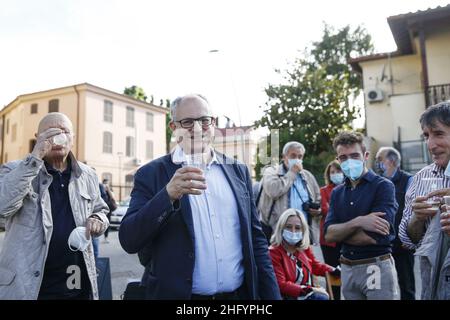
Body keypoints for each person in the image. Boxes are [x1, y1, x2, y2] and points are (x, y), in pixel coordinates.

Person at [118, 94, 281, 300]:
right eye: (187, 122)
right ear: (173, 128)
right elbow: (129, 239)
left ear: (213, 124)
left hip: (237, 297)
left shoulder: (238, 171)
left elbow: (256, 240)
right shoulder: (151, 174)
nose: (197, 128)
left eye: (204, 121)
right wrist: (167, 196)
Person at [0, 112, 109, 300]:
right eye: (49, 132)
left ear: (72, 138)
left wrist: (98, 219)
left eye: (64, 131)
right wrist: (35, 157)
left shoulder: (88, 174)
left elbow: (101, 209)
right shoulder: (14, 170)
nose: (57, 137)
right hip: (28, 289)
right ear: (38, 138)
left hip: (76, 286)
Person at [324, 131, 399, 300]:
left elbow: (374, 236)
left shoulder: (383, 186)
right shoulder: (337, 192)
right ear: (338, 159)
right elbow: (328, 234)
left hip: (375, 267)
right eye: (343, 157)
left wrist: (341, 233)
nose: (349, 161)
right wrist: (359, 222)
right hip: (347, 269)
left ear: (365, 156)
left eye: (354, 155)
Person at [399, 101, 450, 300]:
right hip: (434, 287)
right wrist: (417, 218)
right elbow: (408, 240)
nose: (430, 144)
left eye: (438, 134)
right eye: (426, 136)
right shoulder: (421, 178)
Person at [258, 141, 321, 244]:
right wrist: (292, 173)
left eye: (300, 156)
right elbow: (273, 191)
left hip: (301, 233)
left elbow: (318, 199)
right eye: (293, 155)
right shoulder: (272, 172)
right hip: (276, 232)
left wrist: (317, 211)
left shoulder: (307, 176)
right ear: (284, 157)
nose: (297, 159)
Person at [269, 208, 338, 300]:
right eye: (288, 227)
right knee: (320, 297)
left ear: (303, 230)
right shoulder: (273, 252)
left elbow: (315, 265)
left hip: (306, 295)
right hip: (287, 297)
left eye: (297, 228)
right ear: (281, 228)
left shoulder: (304, 248)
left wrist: (334, 270)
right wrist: (311, 290)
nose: (293, 231)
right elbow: (281, 284)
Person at [375, 147, 415, 300]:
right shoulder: (379, 182)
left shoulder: (409, 180)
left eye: (380, 159)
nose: (377, 163)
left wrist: (409, 237)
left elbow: (413, 211)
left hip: (403, 244)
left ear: (391, 161)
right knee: (384, 287)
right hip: (384, 244)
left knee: (406, 286)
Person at [319, 160, 343, 300]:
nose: (335, 174)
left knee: (348, 274)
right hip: (328, 240)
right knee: (333, 273)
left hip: (346, 238)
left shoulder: (349, 188)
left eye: (338, 171)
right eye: (332, 172)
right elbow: (325, 210)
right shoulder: (324, 190)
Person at [101, 179, 116, 243]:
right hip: (101, 208)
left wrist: (108, 189)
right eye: (105, 184)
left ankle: (105, 237)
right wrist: (103, 189)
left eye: (107, 184)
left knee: (107, 222)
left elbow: (112, 197)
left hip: (109, 208)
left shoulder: (110, 190)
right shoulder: (101, 189)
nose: (106, 185)